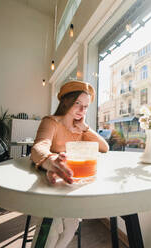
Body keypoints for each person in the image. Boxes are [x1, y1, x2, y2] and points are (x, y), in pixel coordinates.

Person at [30, 80, 109, 248]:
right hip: (51, 188)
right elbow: (38, 147)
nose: (82, 110)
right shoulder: (51, 122)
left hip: (73, 187)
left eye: (86, 106)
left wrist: (86, 128)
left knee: (71, 226)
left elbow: (104, 147)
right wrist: (52, 161)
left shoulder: (81, 129)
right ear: (66, 102)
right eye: (77, 103)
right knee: (52, 227)